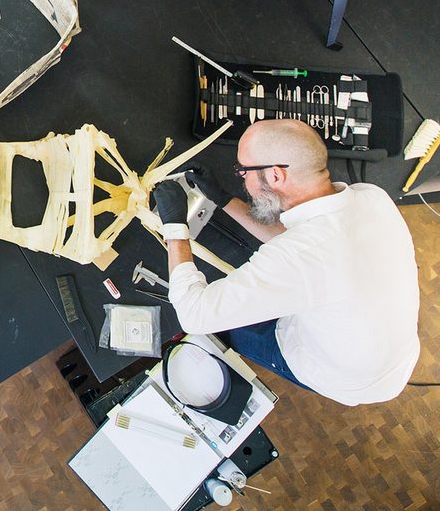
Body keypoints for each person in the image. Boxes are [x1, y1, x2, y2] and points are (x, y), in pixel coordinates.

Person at [152, 119, 420, 406]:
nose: (241, 176)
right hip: (390, 345)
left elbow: (195, 314)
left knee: (226, 330)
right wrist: (223, 198)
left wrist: (174, 227)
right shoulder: (371, 197)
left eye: (243, 170)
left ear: (277, 176)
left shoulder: (300, 259)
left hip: (348, 377)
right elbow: (296, 240)